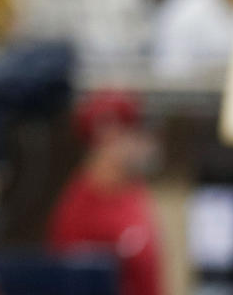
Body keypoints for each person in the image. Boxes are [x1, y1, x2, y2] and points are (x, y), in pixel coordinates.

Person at [49, 90, 163, 295]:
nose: (144, 143)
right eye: (133, 132)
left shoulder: (135, 190)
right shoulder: (78, 211)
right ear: (107, 133)